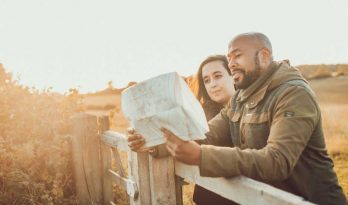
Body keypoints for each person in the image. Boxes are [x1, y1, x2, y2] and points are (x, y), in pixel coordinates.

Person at [162, 32, 347, 205]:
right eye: (229, 58)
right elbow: (205, 135)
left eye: (237, 56)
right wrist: (156, 143)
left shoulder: (293, 94)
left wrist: (201, 156)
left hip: (310, 200)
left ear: (264, 56)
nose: (231, 63)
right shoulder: (239, 98)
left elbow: (277, 161)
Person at [127, 55, 236, 205]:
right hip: (210, 197)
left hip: (246, 195)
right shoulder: (200, 114)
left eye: (218, 76)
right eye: (207, 80)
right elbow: (190, 140)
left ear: (233, 76)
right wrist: (148, 143)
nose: (212, 84)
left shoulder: (252, 111)